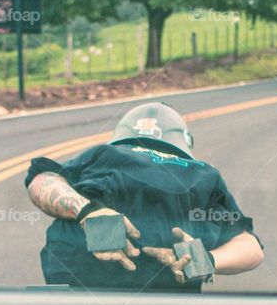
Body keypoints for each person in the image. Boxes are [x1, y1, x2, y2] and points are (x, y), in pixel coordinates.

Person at [24, 102, 263, 291]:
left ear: (121, 135)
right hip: (166, 300)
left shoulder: (104, 153)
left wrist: (88, 212)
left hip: (80, 285)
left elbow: (42, 181)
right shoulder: (203, 172)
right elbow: (250, 247)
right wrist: (206, 261)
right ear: (183, 142)